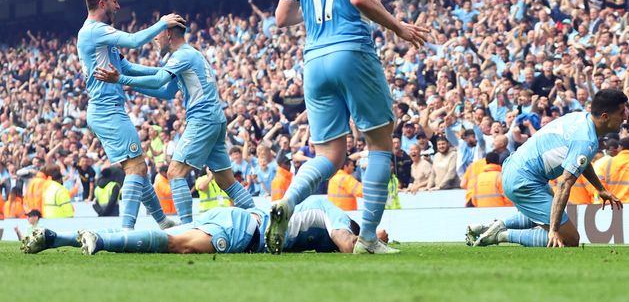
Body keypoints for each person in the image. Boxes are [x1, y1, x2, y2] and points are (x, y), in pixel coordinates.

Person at [268, 0, 428, 255]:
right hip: (350, 50)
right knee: (378, 143)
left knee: (329, 155)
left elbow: (281, 18)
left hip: (314, 60)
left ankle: (288, 203)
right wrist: (399, 27)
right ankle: (368, 240)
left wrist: (317, 8)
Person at [94, 22, 255, 224]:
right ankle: (258, 216)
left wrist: (122, 79)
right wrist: (128, 81)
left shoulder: (182, 55)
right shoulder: (189, 54)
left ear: (168, 33)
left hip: (203, 119)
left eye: (157, 34)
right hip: (214, 119)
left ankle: (186, 230)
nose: (154, 38)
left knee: (175, 172)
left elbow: (159, 79)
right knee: (225, 179)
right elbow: (167, 92)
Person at [76, 0, 184, 230]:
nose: (118, 5)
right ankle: (126, 230)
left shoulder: (100, 36)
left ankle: (162, 222)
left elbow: (127, 68)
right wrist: (163, 22)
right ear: (102, 3)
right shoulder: (95, 31)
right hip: (107, 109)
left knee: (138, 167)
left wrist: (164, 73)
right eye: (114, 0)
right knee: (136, 167)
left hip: (106, 109)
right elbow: (135, 41)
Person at [466, 89, 627, 248]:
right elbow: (564, 184)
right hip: (524, 179)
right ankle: (502, 235)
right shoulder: (586, 140)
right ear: (605, 117)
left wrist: (599, 188)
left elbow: (580, 161)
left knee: (551, 208)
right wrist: (554, 230)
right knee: (569, 239)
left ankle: (491, 227)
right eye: (621, 113)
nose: (625, 117)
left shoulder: (579, 118)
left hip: (516, 167)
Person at [22, 196, 390, 256]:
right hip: (247, 232)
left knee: (171, 239)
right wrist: (371, 243)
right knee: (175, 245)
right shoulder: (331, 211)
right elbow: (345, 242)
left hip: (233, 216)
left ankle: (64, 238)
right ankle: (100, 240)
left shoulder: (310, 218)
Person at [597, 136, 629, 203]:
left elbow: (600, 185)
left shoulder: (607, 163)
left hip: (609, 206)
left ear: (620, 147)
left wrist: (609, 201)